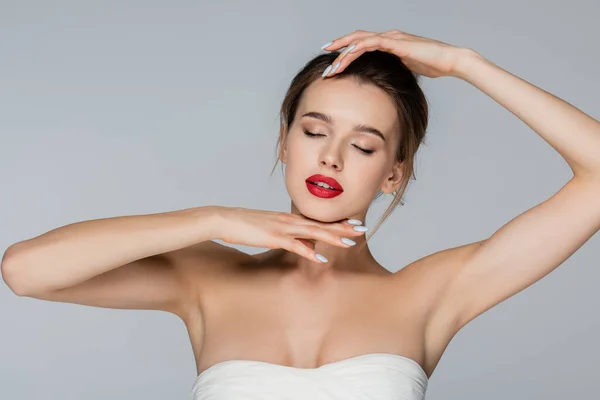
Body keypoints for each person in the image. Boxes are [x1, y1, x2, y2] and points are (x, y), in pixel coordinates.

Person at [2, 29, 600, 400]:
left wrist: (464, 63)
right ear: (285, 144)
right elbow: (25, 271)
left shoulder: (432, 293)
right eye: (314, 132)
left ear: (394, 172)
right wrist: (209, 219)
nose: (332, 157)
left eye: (364, 146)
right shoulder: (207, 278)